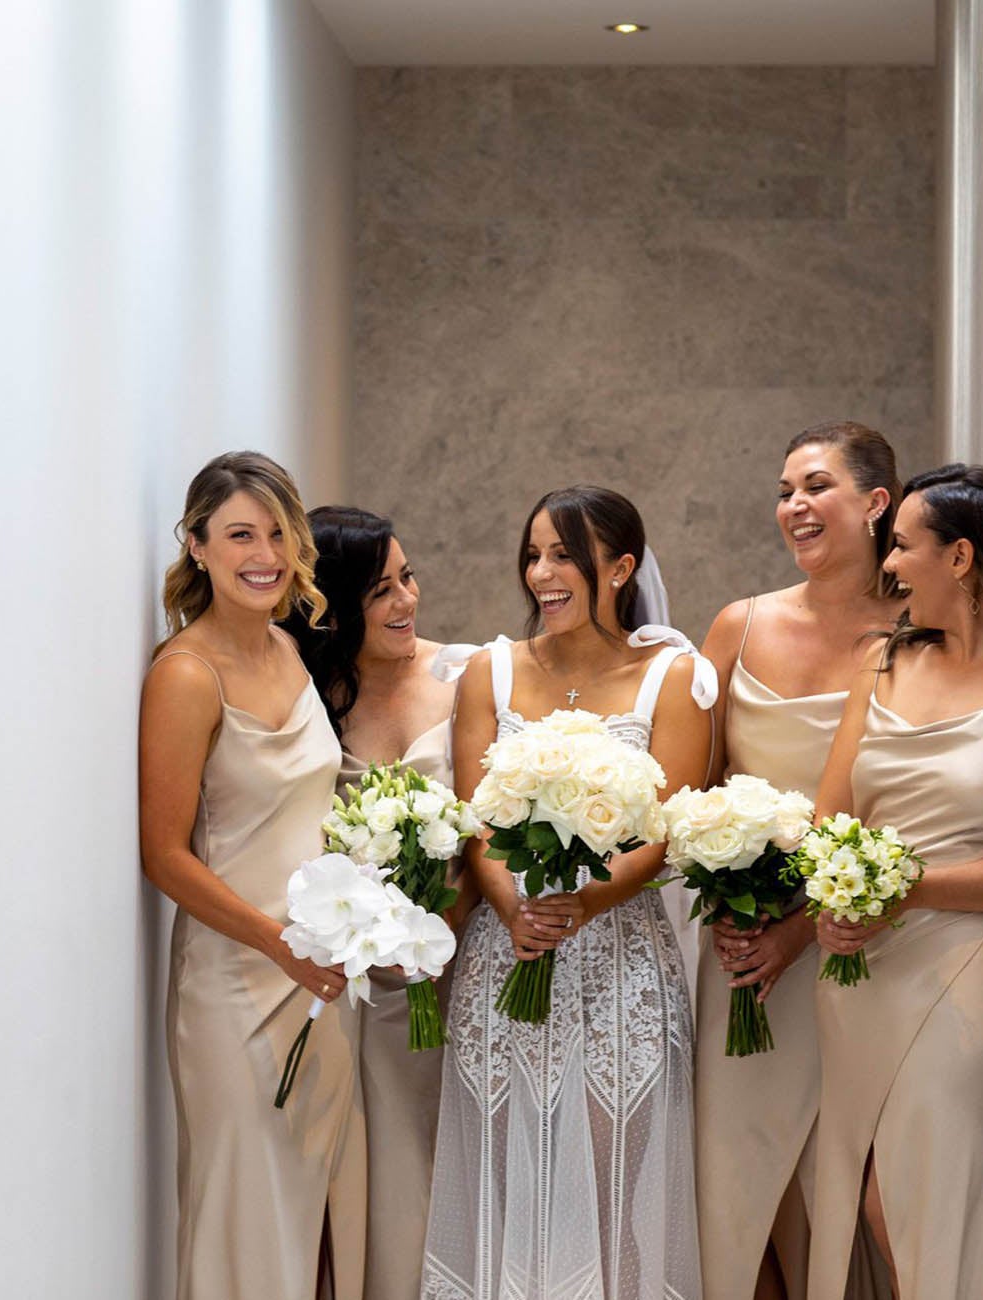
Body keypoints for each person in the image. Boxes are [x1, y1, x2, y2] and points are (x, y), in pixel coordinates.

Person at [421, 486, 713, 1300]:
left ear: (619, 568)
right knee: (508, 1183)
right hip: (507, 950)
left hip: (621, 959)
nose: (542, 573)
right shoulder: (491, 671)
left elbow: (667, 831)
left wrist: (582, 904)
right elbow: (476, 821)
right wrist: (516, 908)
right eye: (534, 554)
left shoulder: (673, 676)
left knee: (615, 1187)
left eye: (563, 555)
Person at [138, 451, 366, 1300]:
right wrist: (279, 944)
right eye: (239, 534)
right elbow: (164, 855)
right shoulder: (185, 675)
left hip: (318, 980)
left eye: (277, 533)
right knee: (242, 1210)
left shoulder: (285, 647)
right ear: (196, 546)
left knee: (302, 1215)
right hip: (237, 983)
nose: (263, 553)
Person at [692, 422, 905, 1300]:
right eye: (785, 491)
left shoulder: (918, 628)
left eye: (816, 486)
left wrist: (803, 929)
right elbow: (694, 787)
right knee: (739, 1183)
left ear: (876, 502)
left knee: (851, 1184)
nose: (794, 507)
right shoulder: (739, 626)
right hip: (743, 959)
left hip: (864, 944)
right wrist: (734, 900)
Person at [804, 464, 983, 1300]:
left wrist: (912, 892)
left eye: (902, 546)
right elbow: (830, 815)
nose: (888, 565)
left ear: (960, 557)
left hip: (965, 963)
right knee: (868, 1206)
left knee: (914, 1205)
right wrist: (837, 900)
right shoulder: (884, 663)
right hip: (862, 971)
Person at [284, 505, 477, 1300]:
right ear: (331, 603)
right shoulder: (310, 697)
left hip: (459, 970)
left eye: (408, 577)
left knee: (457, 1165)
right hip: (362, 987)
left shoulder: (469, 676)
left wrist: (440, 933)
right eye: (378, 591)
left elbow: (491, 832)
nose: (406, 601)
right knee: (381, 1172)